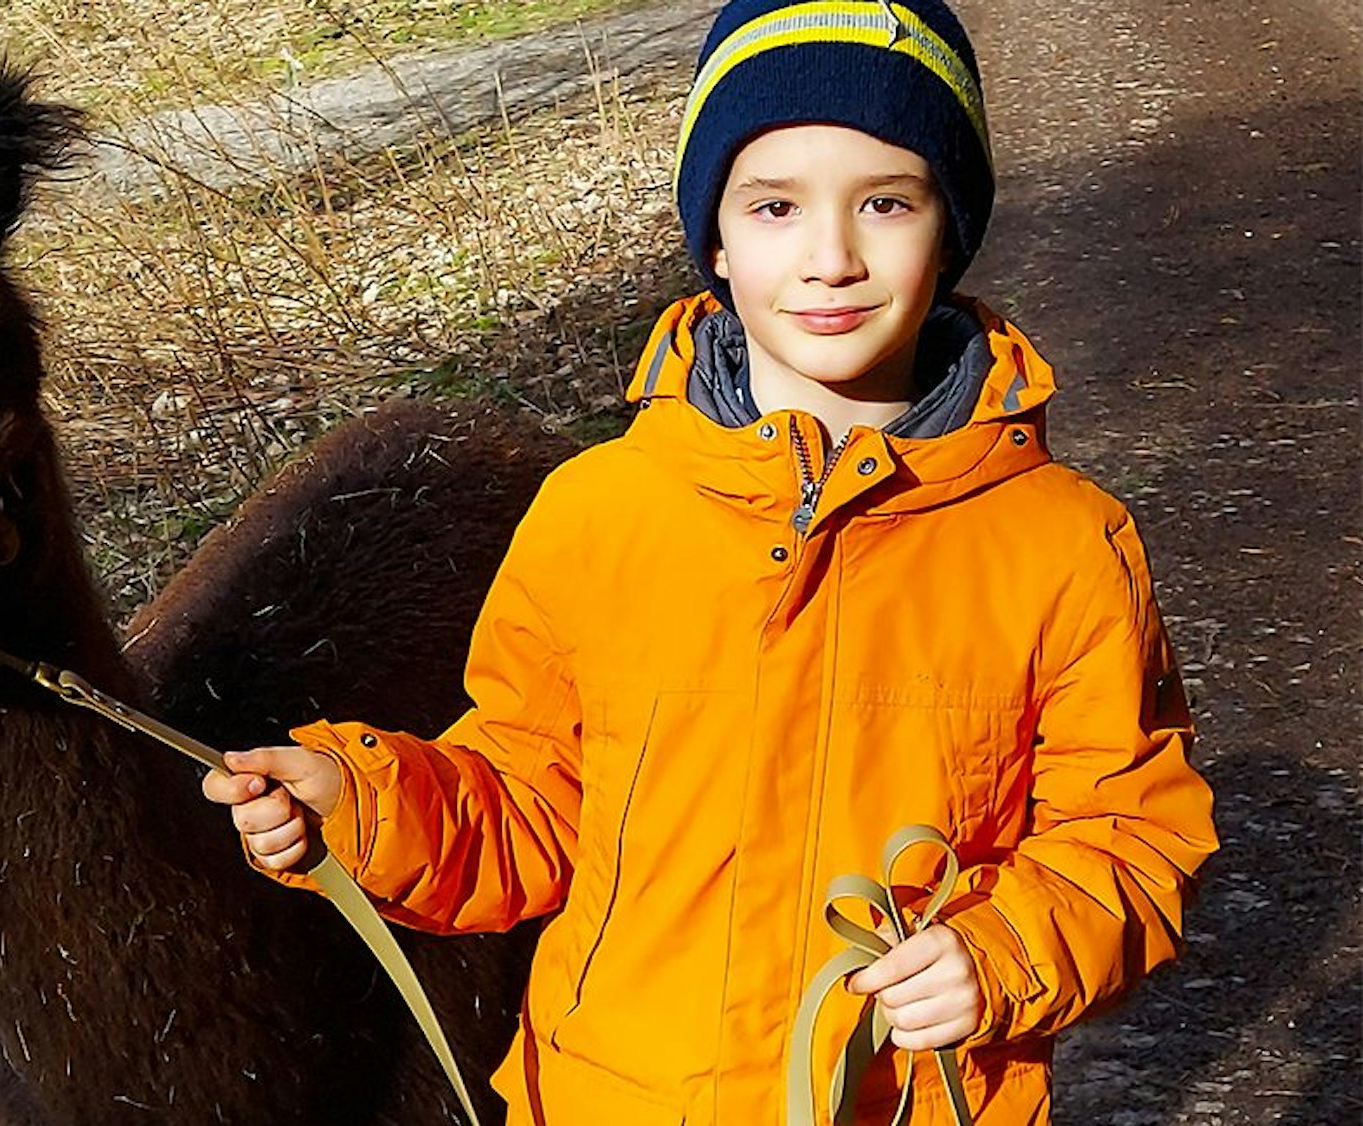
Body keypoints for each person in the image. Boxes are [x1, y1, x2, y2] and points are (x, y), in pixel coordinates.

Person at [202, 0, 1218, 1121]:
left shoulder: (1061, 541)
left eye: (885, 202)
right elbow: (533, 798)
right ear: (717, 241)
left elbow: (1129, 835)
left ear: (949, 230)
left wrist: (1003, 949)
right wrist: (364, 806)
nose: (830, 258)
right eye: (775, 206)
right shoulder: (598, 512)